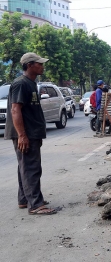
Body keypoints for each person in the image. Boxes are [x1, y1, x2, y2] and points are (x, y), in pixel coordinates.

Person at [4, 52, 56, 215]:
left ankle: (24, 199)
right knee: (31, 167)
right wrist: (22, 135)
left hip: (32, 132)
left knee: (25, 167)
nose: (42, 66)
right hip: (26, 133)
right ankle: (35, 204)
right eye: (39, 63)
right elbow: (15, 109)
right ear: (29, 65)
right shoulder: (21, 84)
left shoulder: (31, 83)